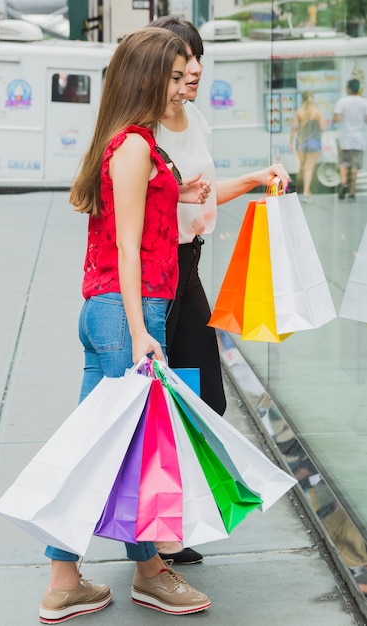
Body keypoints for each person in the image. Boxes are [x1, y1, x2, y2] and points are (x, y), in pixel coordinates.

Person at [39, 28, 213, 624]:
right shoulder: (136, 144)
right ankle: (147, 572)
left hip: (108, 309)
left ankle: (65, 582)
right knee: (137, 448)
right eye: (171, 73)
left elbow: (130, 220)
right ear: (145, 78)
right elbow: (128, 247)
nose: (182, 81)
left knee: (98, 446)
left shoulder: (128, 143)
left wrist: (178, 192)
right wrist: (143, 330)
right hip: (126, 311)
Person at [149, 16, 290, 564]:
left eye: (197, 60)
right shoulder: (140, 129)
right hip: (155, 272)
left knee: (206, 395)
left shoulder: (195, 120)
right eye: (182, 61)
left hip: (188, 266)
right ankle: (158, 541)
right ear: (157, 65)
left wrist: (254, 179)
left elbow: (201, 197)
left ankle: (174, 521)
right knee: (157, 403)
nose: (194, 71)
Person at [333, 78, 367, 201]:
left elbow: (336, 119)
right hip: (359, 139)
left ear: (348, 89)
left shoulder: (342, 101)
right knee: (354, 166)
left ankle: (343, 184)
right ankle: (352, 192)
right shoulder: (364, 102)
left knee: (343, 163)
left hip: (345, 138)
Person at [289, 91, 326, 201]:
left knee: (303, 167)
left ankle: (302, 187)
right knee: (309, 168)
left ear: (302, 99)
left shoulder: (299, 112)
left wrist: (290, 143)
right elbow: (323, 128)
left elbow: (294, 128)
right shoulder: (317, 112)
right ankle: (306, 192)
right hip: (314, 143)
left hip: (301, 143)